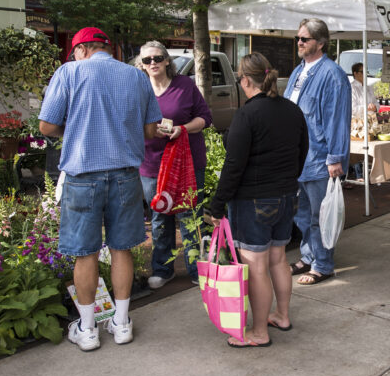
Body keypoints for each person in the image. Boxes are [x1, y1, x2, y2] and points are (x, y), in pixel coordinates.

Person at [39, 27, 161, 350]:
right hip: (125, 176)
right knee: (122, 249)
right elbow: (151, 130)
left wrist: (77, 125)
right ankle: (121, 324)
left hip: (83, 178)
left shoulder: (69, 73)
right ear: (107, 49)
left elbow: (46, 125)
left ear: (81, 50)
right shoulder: (136, 77)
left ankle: (88, 329)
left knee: (85, 253)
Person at [209, 53, 309, 348]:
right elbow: (302, 152)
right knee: (279, 259)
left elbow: (234, 166)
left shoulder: (247, 114)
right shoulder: (292, 110)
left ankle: (259, 332)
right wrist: (287, 183)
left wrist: (216, 205)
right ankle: (282, 315)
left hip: (253, 201)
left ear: (245, 80)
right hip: (287, 196)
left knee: (256, 266)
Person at [137, 41, 213, 289]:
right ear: (142, 64)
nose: (153, 63)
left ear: (167, 60)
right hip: (152, 164)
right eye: (147, 60)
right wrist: (149, 130)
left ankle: (196, 268)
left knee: (190, 215)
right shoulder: (139, 88)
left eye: (157, 58)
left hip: (187, 161)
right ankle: (163, 268)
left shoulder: (184, 85)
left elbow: (205, 118)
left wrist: (182, 129)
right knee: (159, 218)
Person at [286, 18, 351, 285]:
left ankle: (323, 265)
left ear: (320, 43)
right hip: (297, 158)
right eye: (298, 38)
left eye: (305, 39)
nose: (299, 43)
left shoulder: (332, 74)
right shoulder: (298, 71)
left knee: (319, 215)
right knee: (301, 214)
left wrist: (335, 158)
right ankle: (308, 256)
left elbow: (337, 120)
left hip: (319, 159)